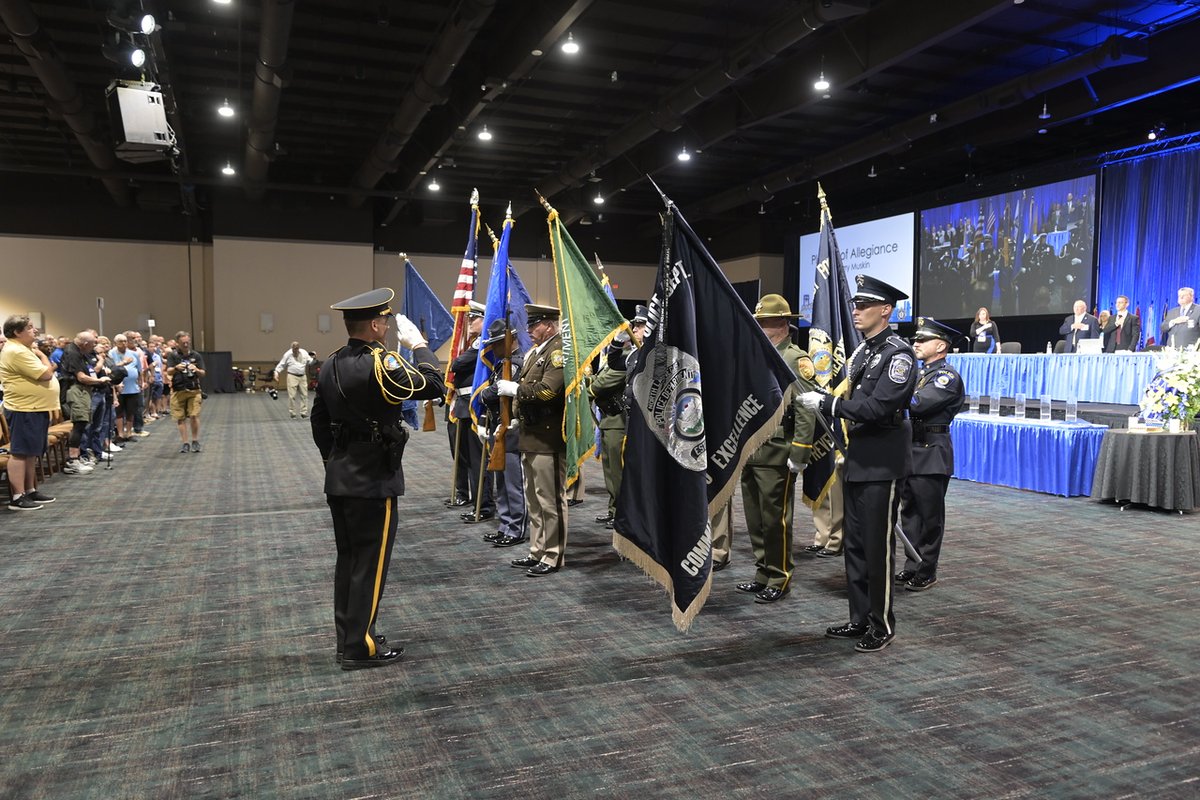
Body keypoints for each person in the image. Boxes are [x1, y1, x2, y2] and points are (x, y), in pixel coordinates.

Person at [310, 288, 446, 670]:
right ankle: (361, 646)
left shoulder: (330, 363)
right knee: (370, 564)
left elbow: (319, 421)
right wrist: (420, 347)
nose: (387, 325)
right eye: (384, 320)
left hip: (340, 475)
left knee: (349, 561)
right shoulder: (381, 362)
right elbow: (434, 385)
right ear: (374, 325)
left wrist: (334, 460)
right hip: (372, 478)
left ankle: (349, 638)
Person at [799, 275, 917, 653]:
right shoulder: (864, 352)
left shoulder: (898, 354)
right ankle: (859, 617)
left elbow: (879, 407)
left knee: (878, 549)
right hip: (857, 458)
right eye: (855, 305)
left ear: (886, 310)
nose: (856, 311)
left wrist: (829, 404)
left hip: (881, 463)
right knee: (855, 546)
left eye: (864, 305)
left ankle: (881, 625)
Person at [734, 294, 816, 604]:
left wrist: (800, 451)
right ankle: (762, 573)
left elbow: (807, 408)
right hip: (752, 448)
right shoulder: (758, 354)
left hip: (779, 450)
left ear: (781, 324)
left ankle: (780, 576)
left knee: (775, 520)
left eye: (764, 323)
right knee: (755, 518)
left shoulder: (796, 359)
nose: (759, 328)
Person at [495, 304, 567, 577]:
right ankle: (537, 550)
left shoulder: (557, 351)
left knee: (550, 501)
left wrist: (516, 389)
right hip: (529, 434)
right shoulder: (535, 353)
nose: (529, 329)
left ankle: (553, 555)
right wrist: (514, 417)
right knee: (534, 501)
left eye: (534, 324)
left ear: (549, 325)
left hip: (548, 438)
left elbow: (548, 391)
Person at [896, 318, 965, 592]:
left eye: (923, 340)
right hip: (910, 449)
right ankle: (912, 563)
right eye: (917, 339)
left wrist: (889, 395)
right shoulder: (920, 374)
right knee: (909, 513)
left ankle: (927, 569)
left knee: (929, 517)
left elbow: (919, 404)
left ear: (941, 346)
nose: (916, 344)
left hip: (931, 450)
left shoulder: (946, 377)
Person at [588, 304, 648, 527]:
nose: (635, 329)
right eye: (635, 325)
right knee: (610, 469)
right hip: (611, 418)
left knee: (619, 471)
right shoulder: (631, 355)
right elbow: (614, 362)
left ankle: (623, 511)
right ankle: (615, 509)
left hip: (624, 421)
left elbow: (601, 384)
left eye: (640, 326)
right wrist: (617, 341)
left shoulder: (648, 355)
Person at [477, 319, 529, 548]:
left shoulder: (517, 364)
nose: (494, 348)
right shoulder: (503, 365)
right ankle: (505, 525)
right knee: (502, 482)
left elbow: (494, 393)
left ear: (511, 340)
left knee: (513, 484)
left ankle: (516, 528)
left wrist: (486, 394)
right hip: (498, 429)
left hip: (512, 430)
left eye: (498, 343)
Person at [1, 315, 61, 510]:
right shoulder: (16, 351)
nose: (35, 330)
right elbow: (46, 374)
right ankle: (18, 497)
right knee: (20, 452)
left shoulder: (22, 349)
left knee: (30, 452)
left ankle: (30, 490)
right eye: (29, 327)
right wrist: (43, 356)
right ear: (17, 332)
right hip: (24, 408)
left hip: (34, 407)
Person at [448, 302, 494, 523]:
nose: (468, 322)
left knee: (479, 460)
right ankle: (476, 501)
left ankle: (483, 505)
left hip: (477, 406)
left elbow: (457, 365)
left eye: (474, 318)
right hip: (465, 405)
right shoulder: (473, 342)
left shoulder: (483, 343)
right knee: (468, 457)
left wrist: (457, 362)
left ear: (484, 320)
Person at [165, 331, 206, 453]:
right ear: (177, 343)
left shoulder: (196, 355)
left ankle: (195, 440)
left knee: (194, 415)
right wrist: (176, 368)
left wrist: (196, 369)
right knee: (180, 418)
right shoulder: (173, 356)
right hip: (178, 390)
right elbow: (169, 371)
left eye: (187, 342)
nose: (186, 345)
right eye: (183, 343)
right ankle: (185, 442)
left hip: (194, 390)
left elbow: (203, 373)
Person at [274, 341, 314, 419]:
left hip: (302, 376)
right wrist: (276, 373)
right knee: (292, 396)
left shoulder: (304, 352)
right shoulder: (287, 354)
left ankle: (303, 412)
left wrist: (314, 359)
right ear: (291, 348)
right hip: (292, 376)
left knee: (304, 395)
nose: (295, 350)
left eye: (296, 349)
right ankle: (292, 413)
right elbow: (282, 364)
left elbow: (310, 361)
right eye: (294, 349)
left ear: (298, 348)